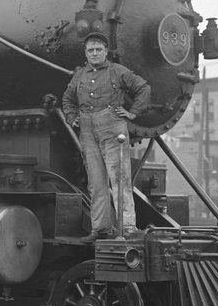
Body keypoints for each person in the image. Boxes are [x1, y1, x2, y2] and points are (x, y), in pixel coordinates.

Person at [62, 33, 151, 240]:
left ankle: (127, 227)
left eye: (98, 50)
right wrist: (71, 117)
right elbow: (67, 98)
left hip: (112, 127)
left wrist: (133, 113)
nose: (94, 53)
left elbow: (143, 88)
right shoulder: (80, 75)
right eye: (90, 50)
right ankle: (100, 228)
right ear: (86, 53)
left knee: (119, 178)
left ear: (105, 51)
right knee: (96, 181)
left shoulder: (118, 71)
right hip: (87, 130)